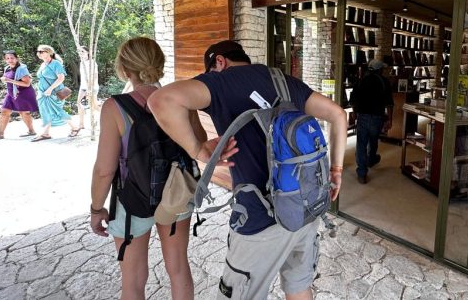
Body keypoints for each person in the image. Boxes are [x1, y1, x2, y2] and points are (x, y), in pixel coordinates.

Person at [148, 40, 347, 300]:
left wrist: (198, 151)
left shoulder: (221, 82)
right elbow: (338, 115)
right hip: (305, 206)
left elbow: (161, 100)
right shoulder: (283, 81)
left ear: (219, 62)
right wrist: (336, 170)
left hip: (260, 220)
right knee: (298, 287)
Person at [89, 37, 236, 300]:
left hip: (132, 201)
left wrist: (96, 207)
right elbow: (198, 145)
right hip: (177, 193)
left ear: (125, 69)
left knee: (133, 280)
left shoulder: (115, 107)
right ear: (160, 64)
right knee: (178, 268)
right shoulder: (180, 100)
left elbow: (104, 169)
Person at [349, 59, 394, 184]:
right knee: (373, 140)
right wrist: (390, 119)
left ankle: (362, 173)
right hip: (377, 117)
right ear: (379, 70)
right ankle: (371, 159)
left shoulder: (361, 80)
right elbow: (389, 103)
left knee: (361, 143)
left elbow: (353, 99)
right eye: (382, 69)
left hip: (362, 116)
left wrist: (354, 112)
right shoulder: (384, 82)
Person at [0, 50, 39, 139]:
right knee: (4, 111)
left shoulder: (21, 69)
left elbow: (27, 84)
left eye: (12, 58)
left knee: (24, 113)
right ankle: (0, 133)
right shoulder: (7, 68)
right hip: (11, 93)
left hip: (23, 93)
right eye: (7, 58)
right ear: (5, 60)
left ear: (16, 58)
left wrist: (9, 80)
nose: (10, 60)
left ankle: (31, 131)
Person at [33, 45, 80, 141]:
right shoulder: (43, 64)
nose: (40, 53)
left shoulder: (56, 64)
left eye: (42, 51)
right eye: (39, 52)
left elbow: (61, 78)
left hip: (53, 92)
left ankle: (75, 127)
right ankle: (46, 133)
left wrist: (50, 89)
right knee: (46, 112)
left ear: (49, 52)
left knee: (57, 111)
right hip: (43, 93)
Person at [76, 45, 100, 132]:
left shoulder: (92, 62)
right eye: (79, 52)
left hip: (92, 87)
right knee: (79, 103)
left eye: (83, 51)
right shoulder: (81, 63)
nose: (81, 53)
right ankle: (81, 124)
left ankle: (108, 115)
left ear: (88, 52)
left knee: (94, 106)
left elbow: (95, 76)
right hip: (83, 87)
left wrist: (90, 88)